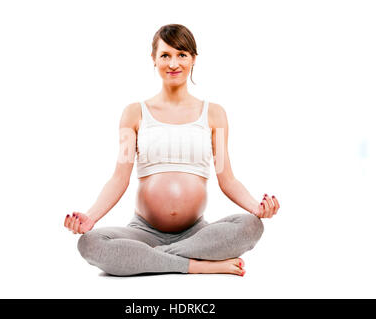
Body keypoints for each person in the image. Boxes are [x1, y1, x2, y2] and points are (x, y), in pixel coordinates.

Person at [63, 24, 280, 276]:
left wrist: (256, 207)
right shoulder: (134, 113)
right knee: (90, 244)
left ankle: (146, 260)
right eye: (165, 55)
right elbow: (119, 179)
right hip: (143, 232)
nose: (173, 63)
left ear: (193, 59)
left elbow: (227, 179)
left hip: (197, 234)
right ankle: (195, 264)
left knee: (250, 226)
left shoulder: (214, 114)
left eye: (182, 54)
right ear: (153, 60)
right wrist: (90, 217)